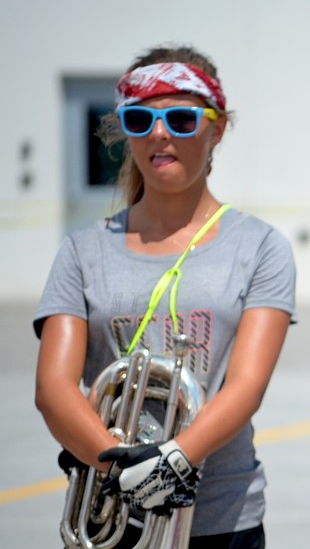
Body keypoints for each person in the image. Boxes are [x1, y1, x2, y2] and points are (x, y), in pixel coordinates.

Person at [33, 45, 296, 548]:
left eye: (181, 118)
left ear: (216, 128)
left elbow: (245, 385)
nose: (160, 134)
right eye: (139, 119)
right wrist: (117, 465)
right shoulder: (82, 251)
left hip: (222, 519)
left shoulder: (260, 247)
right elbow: (53, 388)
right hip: (110, 516)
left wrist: (170, 461)